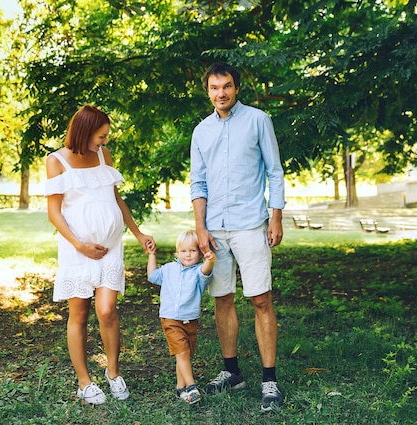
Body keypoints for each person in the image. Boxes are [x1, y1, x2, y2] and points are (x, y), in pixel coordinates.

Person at [189, 63, 286, 411]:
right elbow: (198, 183)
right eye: (214, 88)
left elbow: (275, 171)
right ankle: (232, 371)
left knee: (261, 299)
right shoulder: (200, 131)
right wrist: (200, 227)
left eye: (227, 86)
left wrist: (275, 217)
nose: (221, 93)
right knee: (223, 299)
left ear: (237, 88)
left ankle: (269, 378)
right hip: (214, 229)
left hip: (251, 225)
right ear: (208, 92)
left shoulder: (258, 120)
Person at [45, 105, 155, 405]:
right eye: (101, 135)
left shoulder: (104, 156)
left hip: (110, 247)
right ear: (84, 131)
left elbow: (115, 199)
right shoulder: (56, 161)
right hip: (77, 249)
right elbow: (54, 213)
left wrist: (139, 233)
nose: (104, 141)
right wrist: (80, 245)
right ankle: (84, 382)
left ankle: (113, 373)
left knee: (107, 310)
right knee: (78, 314)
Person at [146, 230, 216, 404]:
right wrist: (151, 255)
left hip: (190, 320)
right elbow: (152, 276)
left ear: (199, 253)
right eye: (183, 251)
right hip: (170, 318)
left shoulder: (198, 272)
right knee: (182, 352)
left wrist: (210, 260)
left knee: (183, 354)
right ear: (177, 253)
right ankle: (191, 386)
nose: (188, 254)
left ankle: (180, 388)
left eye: (192, 251)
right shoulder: (169, 269)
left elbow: (206, 271)